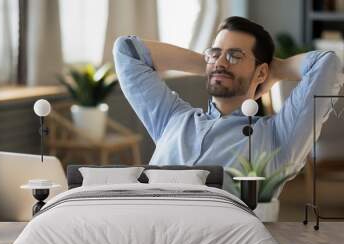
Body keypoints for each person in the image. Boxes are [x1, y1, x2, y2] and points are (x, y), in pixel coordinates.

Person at [112, 16, 341, 196]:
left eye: (235, 56)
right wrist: (216, 67)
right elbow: (127, 50)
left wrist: (275, 70)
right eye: (214, 53)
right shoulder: (172, 117)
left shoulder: (278, 137)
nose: (221, 61)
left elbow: (327, 64)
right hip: (145, 243)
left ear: (261, 71)